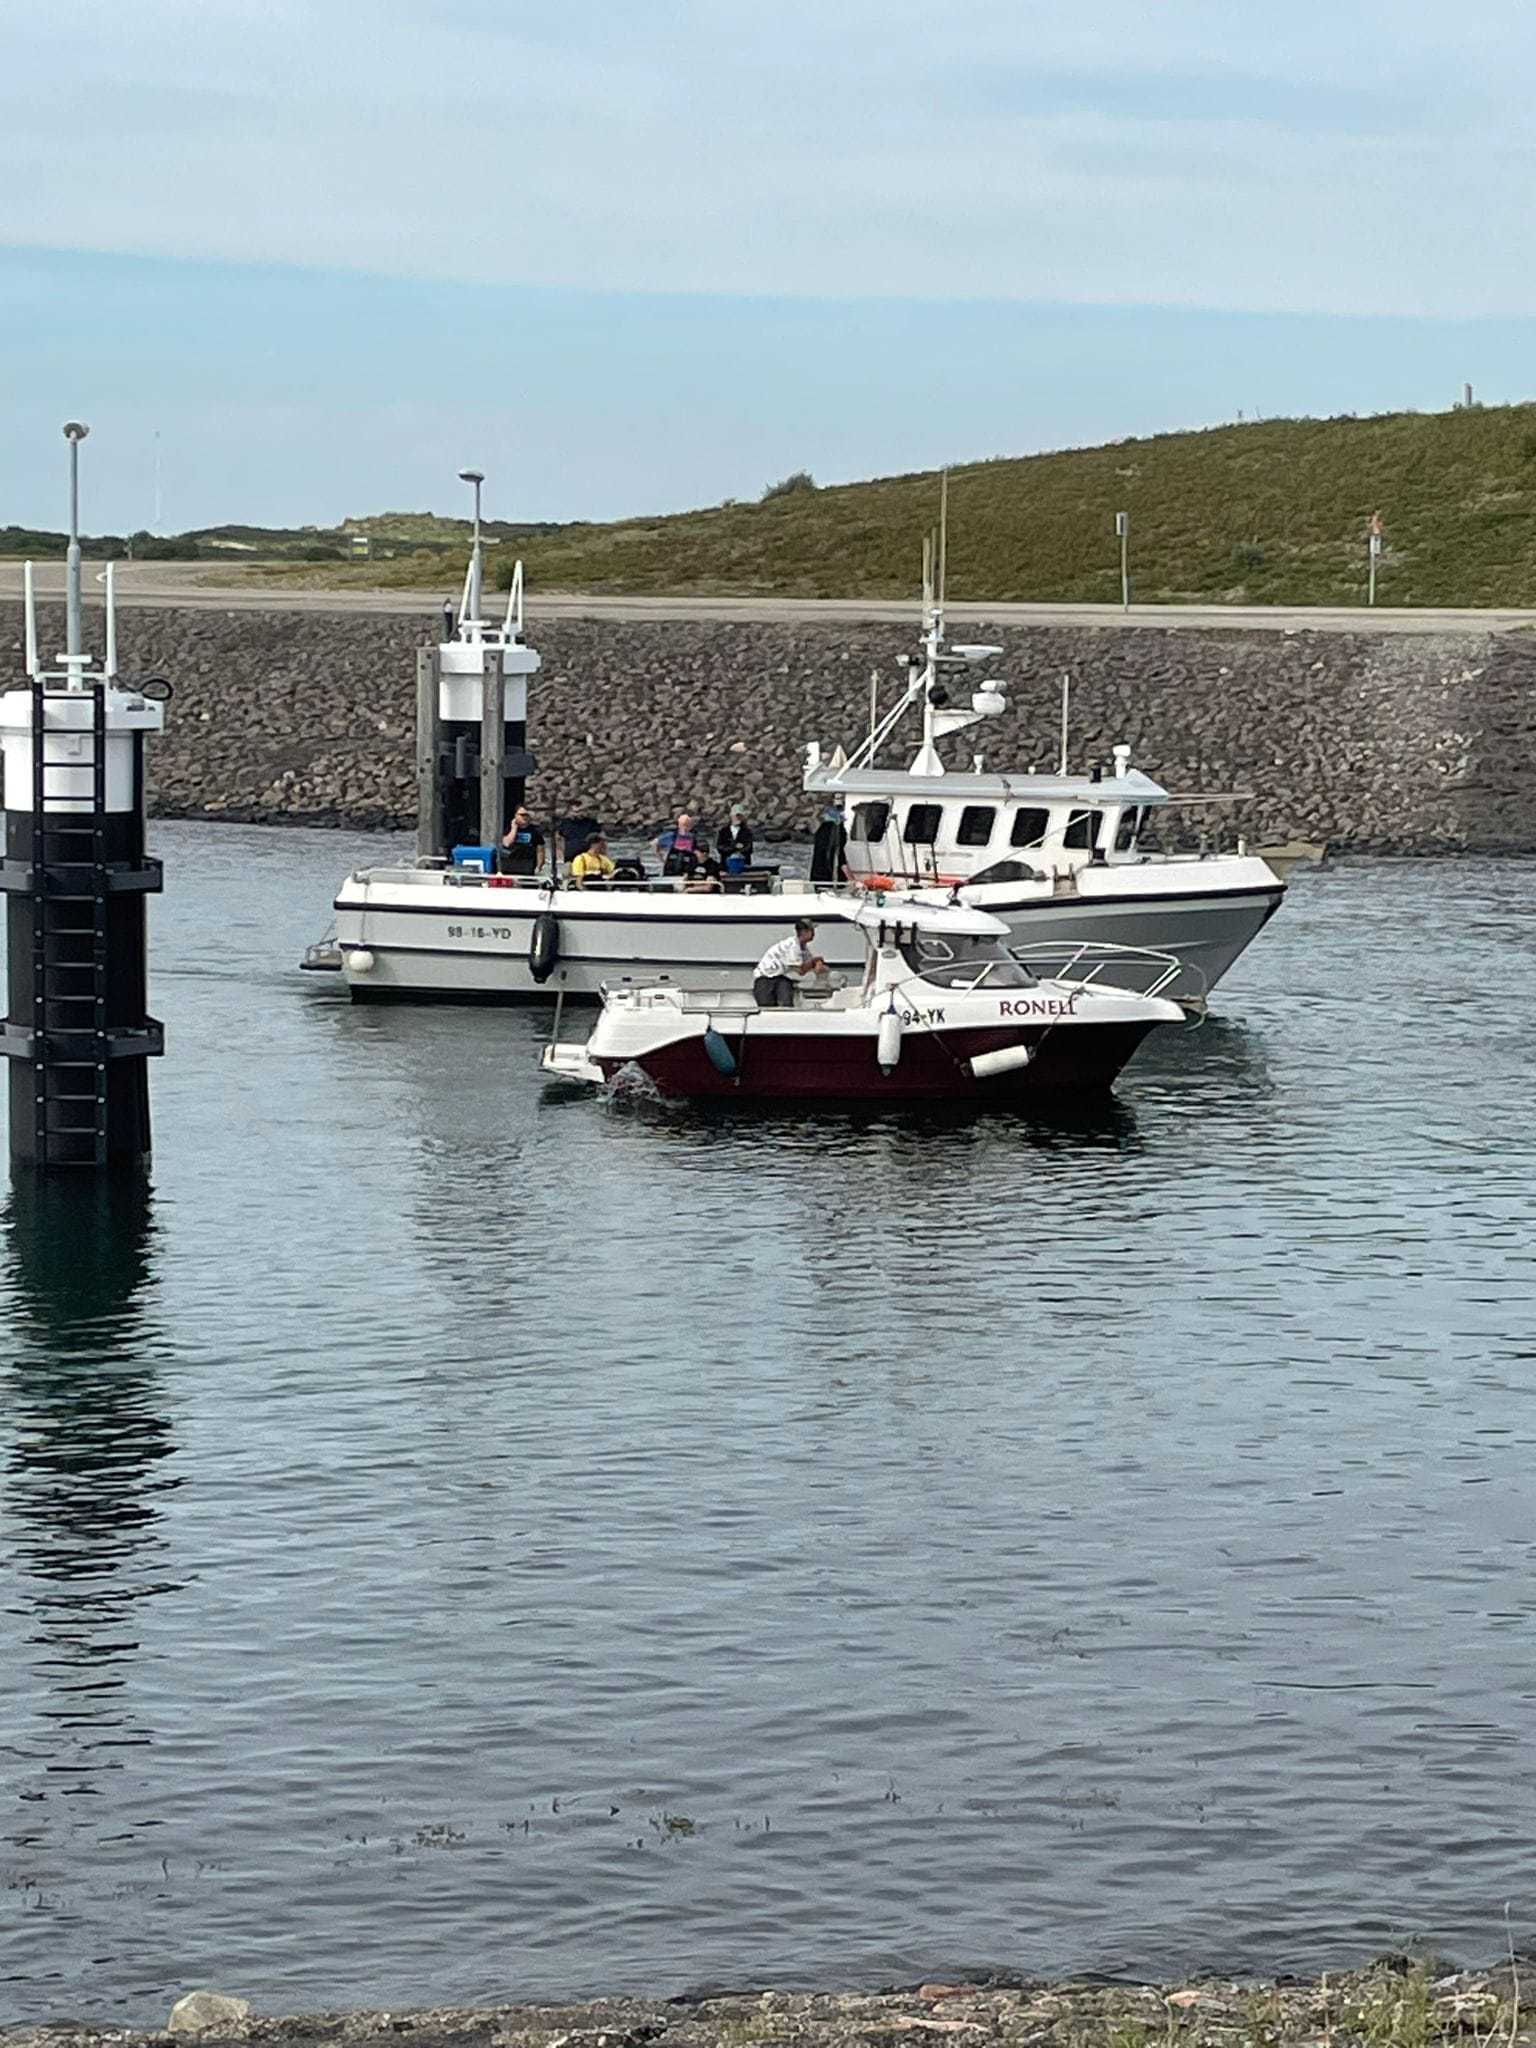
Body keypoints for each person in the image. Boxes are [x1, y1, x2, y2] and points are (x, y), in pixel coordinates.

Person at [753, 920, 826, 1007]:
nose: (813, 934)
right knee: (767, 1006)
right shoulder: (792, 945)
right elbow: (800, 969)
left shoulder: (804, 949)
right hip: (765, 978)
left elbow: (807, 964)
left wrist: (817, 963)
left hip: (781, 977)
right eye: (811, 931)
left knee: (786, 1003)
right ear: (803, 932)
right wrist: (815, 962)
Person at [498, 805, 545, 876]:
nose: (525, 817)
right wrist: (514, 828)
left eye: (527, 815)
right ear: (515, 815)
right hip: (510, 865)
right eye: (522, 815)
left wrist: (539, 866)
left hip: (527, 865)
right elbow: (507, 843)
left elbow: (540, 851)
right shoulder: (508, 829)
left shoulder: (535, 831)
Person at [809, 804, 849, 885]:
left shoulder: (823, 829)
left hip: (819, 875)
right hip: (829, 875)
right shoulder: (836, 830)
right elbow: (839, 851)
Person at [655, 810, 701, 877]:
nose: (686, 827)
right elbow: (655, 842)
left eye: (688, 825)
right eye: (684, 824)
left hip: (687, 867)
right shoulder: (672, 835)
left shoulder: (693, 836)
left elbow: (697, 851)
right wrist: (661, 857)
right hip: (672, 867)